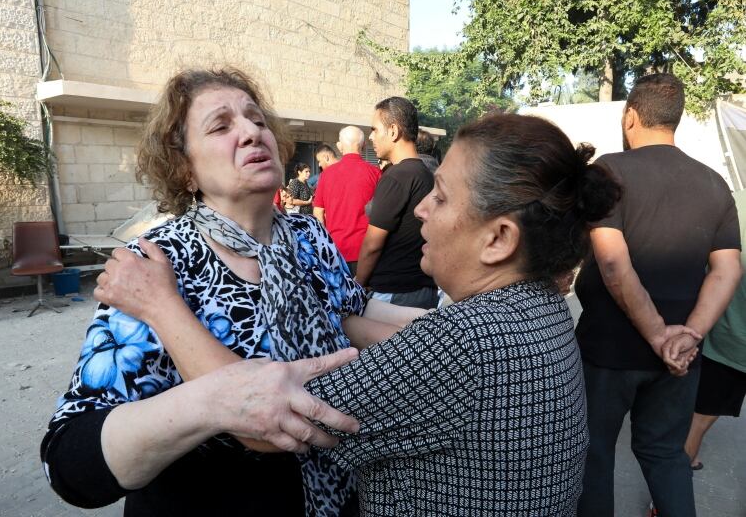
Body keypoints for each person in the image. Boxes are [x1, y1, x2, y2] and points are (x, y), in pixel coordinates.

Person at [94, 112, 622, 515]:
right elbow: (348, 315)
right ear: (184, 166)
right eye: (221, 125)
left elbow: (265, 419)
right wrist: (324, 307)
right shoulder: (542, 309)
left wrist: (161, 307)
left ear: (498, 238)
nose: (420, 210)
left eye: (439, 197)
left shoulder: (465, 341)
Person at [40, 67, 421, 517]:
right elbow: (69, 459)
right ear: (185, 170)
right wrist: (208, 404)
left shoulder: (306, 235)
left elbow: (354, 309)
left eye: (257, 120)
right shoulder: (158, 260)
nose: (250, 133)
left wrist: (460, 323)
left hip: (339, 492)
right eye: (221, 126)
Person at [574, 73, 742, 517]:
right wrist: (687, 338)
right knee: (667, 453)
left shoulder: (608, 171)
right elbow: (728, 269)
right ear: (676, 120)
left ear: (630, 117)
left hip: (608, 352)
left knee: (594, 455)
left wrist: (655, 334)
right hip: (681, 358)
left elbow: (612, 262)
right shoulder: (713, 183)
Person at [684, 188, 746, 471]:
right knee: (699, 417)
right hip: (732, 343)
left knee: (697, 416)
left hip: (721, 335)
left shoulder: (734, 200)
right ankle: (665, 501)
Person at [356, 97, 437, 309]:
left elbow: (372, 244)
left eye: (374, 129)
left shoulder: (396, 176)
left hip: (395, 291)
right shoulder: (426, 174)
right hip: (423, 287)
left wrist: (358, 283)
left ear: (393, 131)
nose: (371, 137)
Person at [313, 126, 381, 275]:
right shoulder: (376, 173)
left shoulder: (326, 175)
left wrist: (324, 243)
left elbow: (318, 211)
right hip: (366, 250)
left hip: (336, 249)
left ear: (339, 146)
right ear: (363, 145)